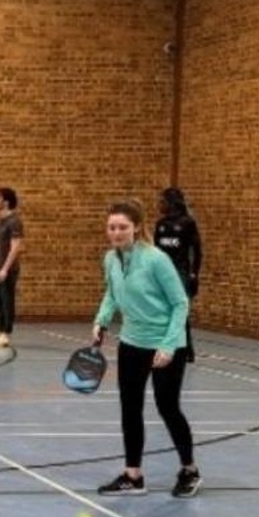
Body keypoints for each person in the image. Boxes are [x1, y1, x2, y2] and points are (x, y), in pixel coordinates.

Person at [92, 199, 201, 498]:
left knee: (168, 408)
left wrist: (168, 345)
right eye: (111, 227)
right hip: (131, 343)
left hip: (166, 346)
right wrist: (101, 321)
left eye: (122, 227)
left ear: (136, 227)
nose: (116, 232)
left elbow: (180, 303)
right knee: (130, 409)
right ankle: (133, 475)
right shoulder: (111, 259)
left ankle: (189, 470)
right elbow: (112, 294)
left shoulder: (156, 259)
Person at [154, 187, 202, 363]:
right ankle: (161, 343)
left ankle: (186, 348)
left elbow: (197, 251)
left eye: (162, 201)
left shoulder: (188, 223)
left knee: (180, 310)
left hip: (180, 273)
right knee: (161, 308)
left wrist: (194, 274)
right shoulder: (160, 225)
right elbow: (155, 252)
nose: (159, 204)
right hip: (162, 273)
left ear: (171, 203)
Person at [0, 187, 24, 349]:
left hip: (8, 269)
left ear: (6, 202)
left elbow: (16, 247)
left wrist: (5, 269)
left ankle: (6, 334)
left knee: (7, 301)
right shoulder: (1, 220)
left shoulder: (14, 221)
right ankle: (0, 331)